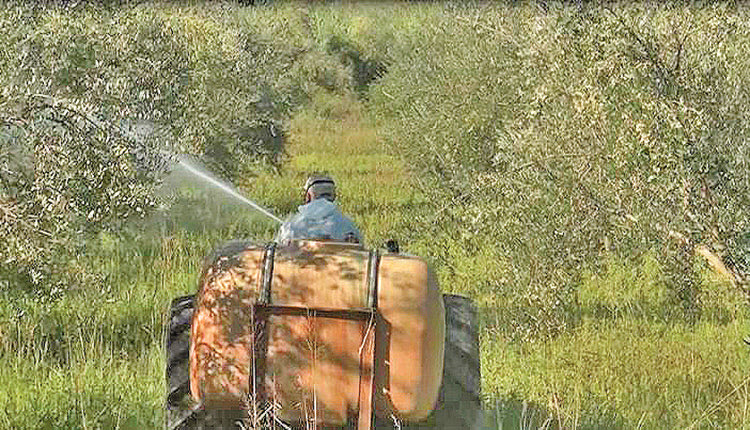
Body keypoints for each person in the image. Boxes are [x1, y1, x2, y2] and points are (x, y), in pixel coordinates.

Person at [276, 175, 362, 245]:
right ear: (333, 197)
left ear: (308, 197)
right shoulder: (348, 226)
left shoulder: (290, 226)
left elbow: (278, 253)